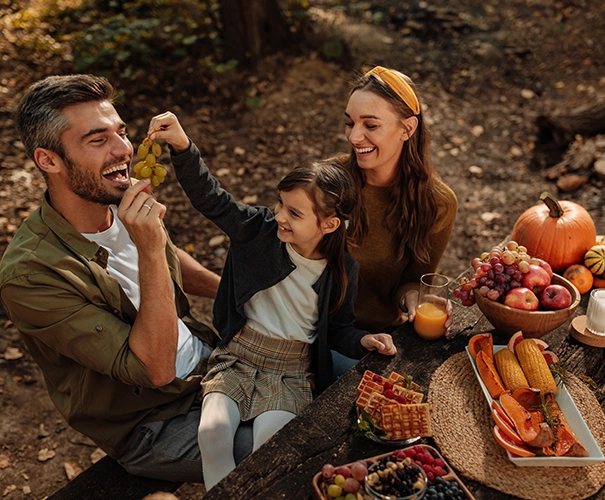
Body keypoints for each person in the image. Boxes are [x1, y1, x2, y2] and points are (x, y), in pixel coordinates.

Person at [0, 74, 252, 484]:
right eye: (97, 140)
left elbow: (170, 258)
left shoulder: (112, 196)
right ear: (49, 160)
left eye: (122, 132)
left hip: (210, 362)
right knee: (288, 442)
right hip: (154, 421)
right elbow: (154, 369)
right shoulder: (30, 275)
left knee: (335, 373)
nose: (123, 150)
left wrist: (237, 292)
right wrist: (149, 247)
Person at [145, 111, 397, 489]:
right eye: (280, 204)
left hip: (292, 369)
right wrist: (183, 147)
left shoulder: (342, 269)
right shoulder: (259, 231)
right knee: (212, 435)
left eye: (294, 213)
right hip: (238, 357)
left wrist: (362, 340)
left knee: (267, 447)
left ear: (328, 225)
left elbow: (340, 328)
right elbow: (212, 199)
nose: (279, 215)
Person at [333, 66, 458, 334]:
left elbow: (412, 282)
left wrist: (414, 298)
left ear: (407, 128)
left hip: (382, 337)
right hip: (315, 333)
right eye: (349, 123)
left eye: (371, 125)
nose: (354, 136)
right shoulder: (327, 183)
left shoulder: (438, 203)